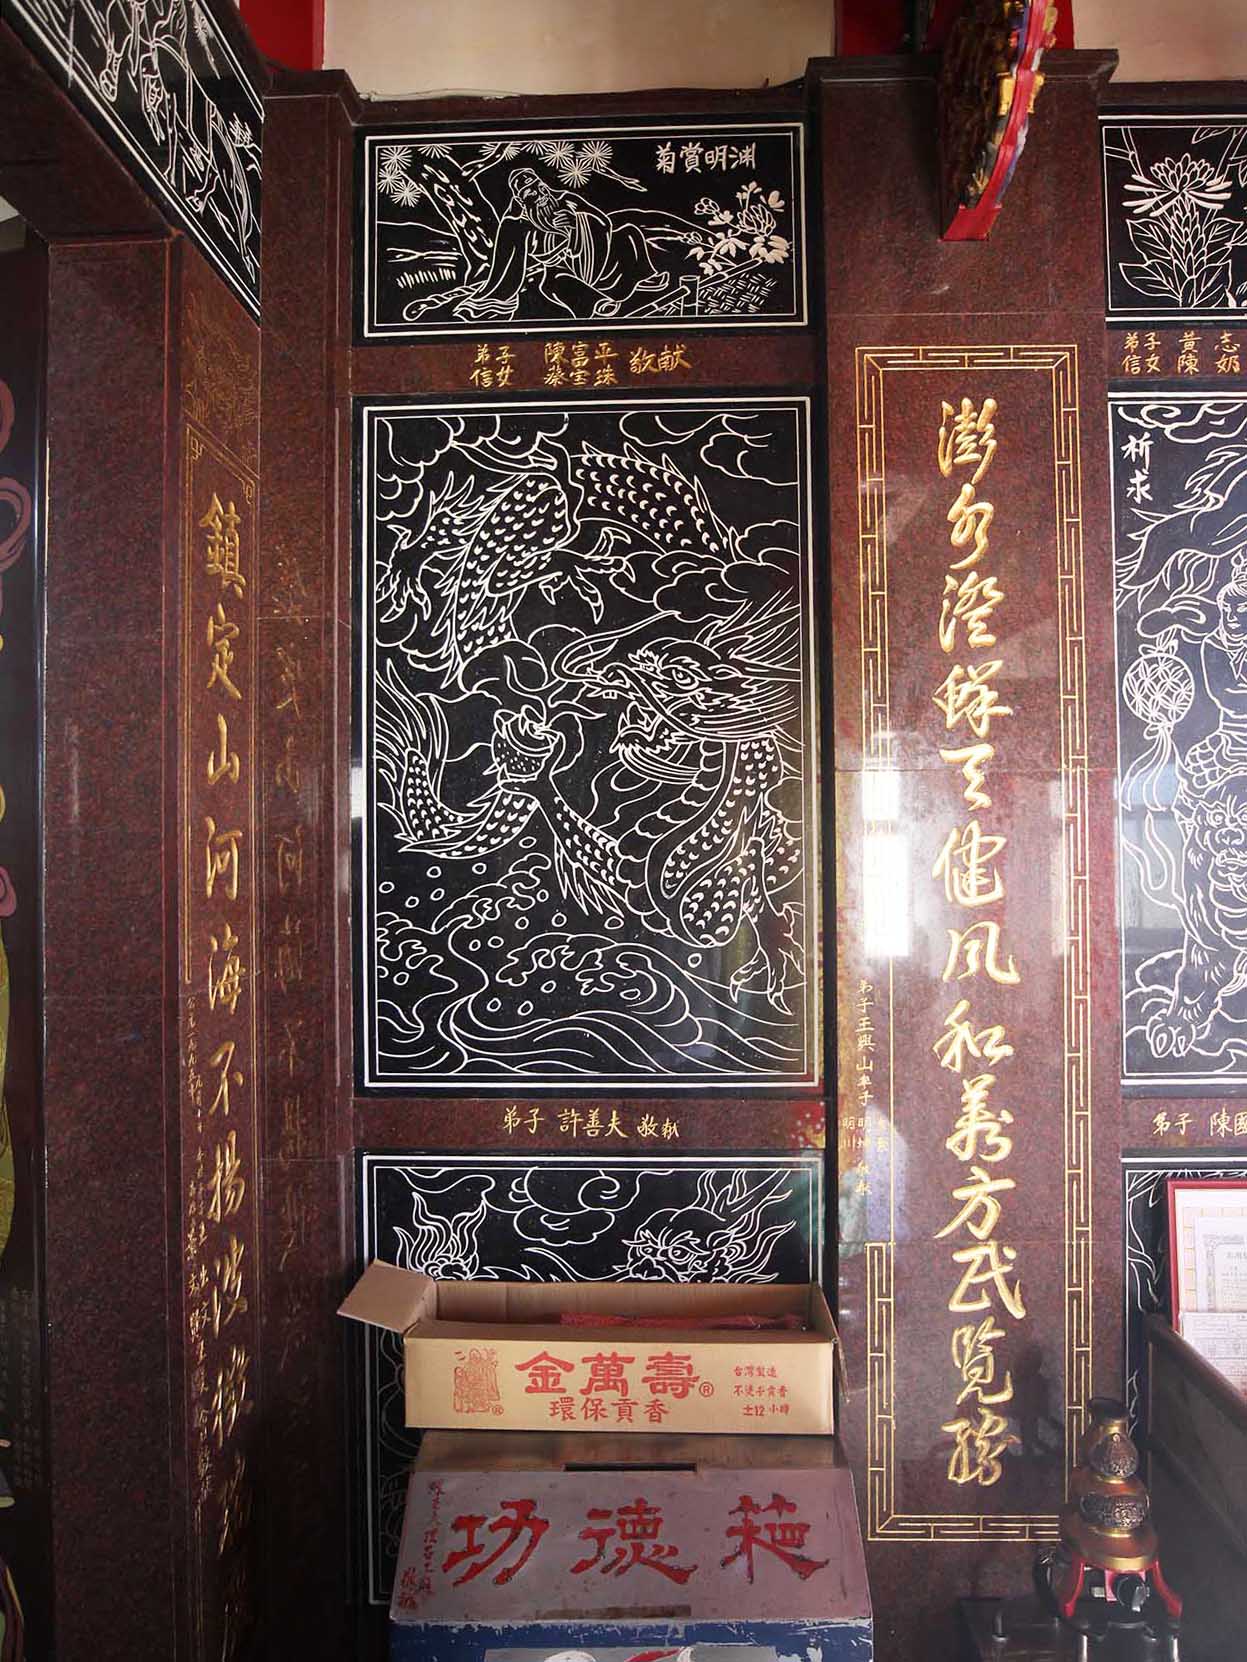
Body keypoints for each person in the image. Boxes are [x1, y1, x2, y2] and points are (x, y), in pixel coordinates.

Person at [459, 167, 669, 319]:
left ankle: (644, 277)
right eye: (530, 193)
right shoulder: (518, 224)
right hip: (562, 268)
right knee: (555, 282)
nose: (540, 195)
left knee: (628, 233)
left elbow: (604, 222)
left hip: (598, 259)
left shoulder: (567, 199)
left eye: (539, 187)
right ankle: (597, 302)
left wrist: (576, 222)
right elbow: (510, 259)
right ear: (521, 200)